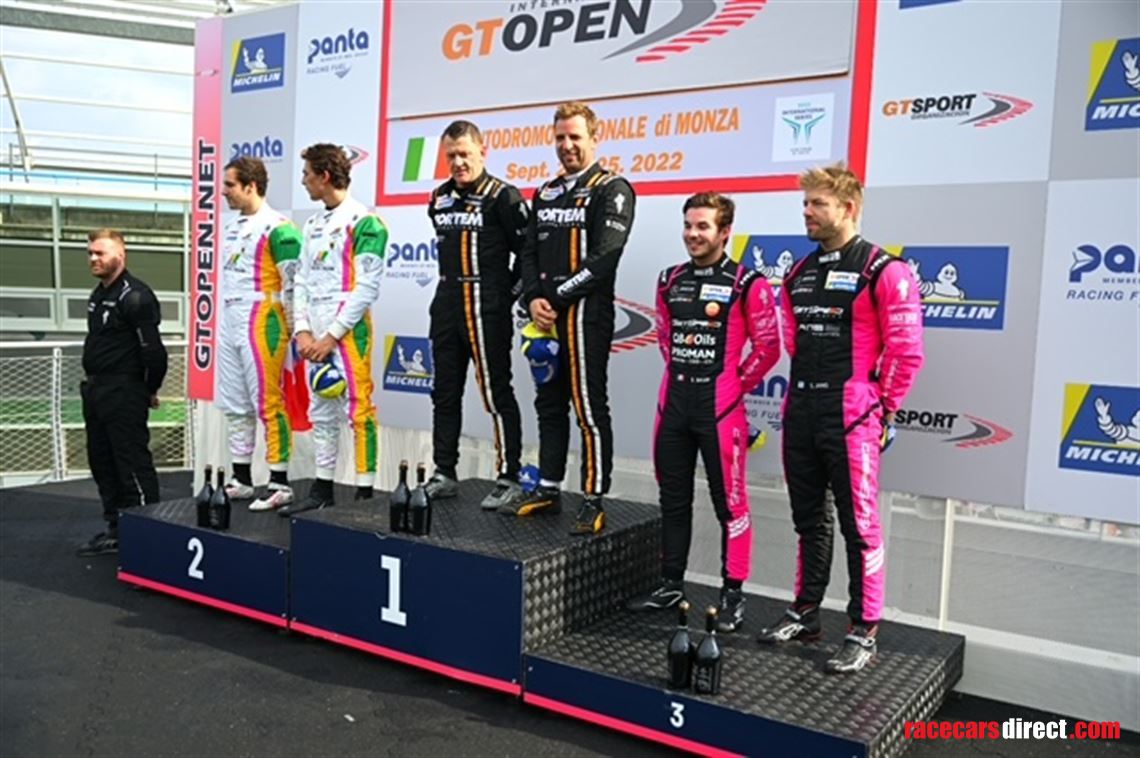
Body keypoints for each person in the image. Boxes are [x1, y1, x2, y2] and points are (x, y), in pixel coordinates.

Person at [755, 163, 924, 673]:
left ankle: (863, 629)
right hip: (800, 409)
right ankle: (806, 612)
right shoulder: (798, 273)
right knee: (809, 519)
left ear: (848, 208)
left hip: (852, 415)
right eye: (805, 203)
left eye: (817, 204)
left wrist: (881, 408)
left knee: (860, 526)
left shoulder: (885, 270)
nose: (806, 212)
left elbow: (906, 352)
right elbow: (792, 341)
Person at [625, 193, 780, 632]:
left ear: (725, 231)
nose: (693, 234)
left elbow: (769, 348)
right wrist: (686, 373)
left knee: (730, 505)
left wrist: (732, 384)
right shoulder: (669, 279)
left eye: (703, 227)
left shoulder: (748, 283)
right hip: (673, 404)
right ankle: (671, 583)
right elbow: (664, 337)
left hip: (720, 409)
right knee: (672, 499)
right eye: (688, 225)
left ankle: (733, 594)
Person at [515, 101, 636, 535]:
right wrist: (533, 298)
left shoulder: (612, 188)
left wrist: (555, 297)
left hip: (586, 315)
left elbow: (605, 257)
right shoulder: (546, 192)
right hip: (544, 318)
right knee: (548, 403)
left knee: (588, 407)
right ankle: (548, 487)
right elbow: (528, 252)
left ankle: (592, 497)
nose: (567, 145)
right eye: (560, 137)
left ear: (594, 139)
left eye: (575, 137)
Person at [422, 120, 529, 511]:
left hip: (487, 305)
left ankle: (509, 475)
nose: (458, 162)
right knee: (444, 391)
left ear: (483, 151)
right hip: (447, 301)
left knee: (496, 391)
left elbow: (528, 254)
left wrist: (507, 295)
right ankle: (444, 472)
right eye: (451, 156)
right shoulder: (439, 197)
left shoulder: (503, 196)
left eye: (465, 154)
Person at [277, 143, 388, 516]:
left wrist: (331, 336)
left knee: (359, 410)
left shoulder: (366, 222)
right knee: (321, 409)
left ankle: (365, 494)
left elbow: (367, 288)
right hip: (315, 328)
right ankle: (322, 487)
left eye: (307, 174)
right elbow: (301, 281)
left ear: (324, 176)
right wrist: (303, 331)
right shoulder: (311, 224)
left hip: (348, 330)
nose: (303, 181)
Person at [216, 156, 302, 511]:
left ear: (251, 186)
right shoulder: (230, 226)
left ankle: (280, 481)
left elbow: (295, 284)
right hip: (229, 316)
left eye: (230, 185)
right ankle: (241, 479)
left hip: (263, 316)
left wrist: (297, 328)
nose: (223, 192)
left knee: (268, 401)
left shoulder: (279, 228)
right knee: (235, 402)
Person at [77, 229, 168, 555]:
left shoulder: (136, 296)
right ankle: (117, 529)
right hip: (96, 391)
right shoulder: (98, 294)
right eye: (90, 253)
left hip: (124, 391)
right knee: (102, 462)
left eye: (100, 253)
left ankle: (146, 535)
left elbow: (154, 353)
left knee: (131, 463)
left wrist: (149, 389)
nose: (93, 259)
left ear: (120, 254)